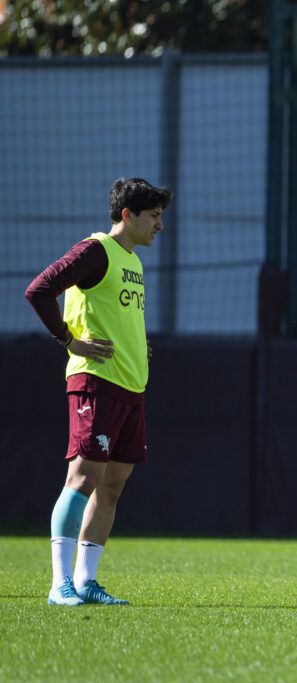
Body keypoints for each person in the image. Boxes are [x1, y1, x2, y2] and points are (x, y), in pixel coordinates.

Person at [25, 177, 172, 606]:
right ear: (127, 215)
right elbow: (39, 290)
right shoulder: (95, 250)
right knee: (84, 478)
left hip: (130, 383)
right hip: (96, 381)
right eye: (154, 216)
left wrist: (136, 343)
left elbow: (114, 313)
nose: (160, 225)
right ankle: (60, 584)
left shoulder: (134, 261)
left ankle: (86, 581)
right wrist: (69, 340)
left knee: (113, 484)